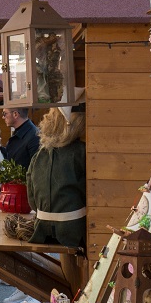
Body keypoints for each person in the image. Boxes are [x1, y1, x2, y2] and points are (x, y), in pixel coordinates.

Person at [26, 106, 88, 250]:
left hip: (41, 229)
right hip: (75, 231)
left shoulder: (39, 155)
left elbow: (31, 195)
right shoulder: (82, 152)